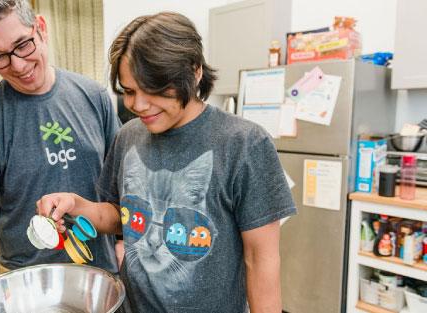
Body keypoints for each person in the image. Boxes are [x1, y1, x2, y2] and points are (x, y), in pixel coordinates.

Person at [37, 12, 296, 313]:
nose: (139, 105)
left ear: (195, 70)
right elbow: (121, 216)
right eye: (130, 91)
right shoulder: (128, 136)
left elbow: (260, 258)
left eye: (154, 90)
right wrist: (74, 204)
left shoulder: (245, 143)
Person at [0, 0, 121, 302]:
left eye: (23, 45)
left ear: (41, 28)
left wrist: (122, 243)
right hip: (28, 290)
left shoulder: (94, 96)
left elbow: (122, 183)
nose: (18, 65)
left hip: (101, 282)